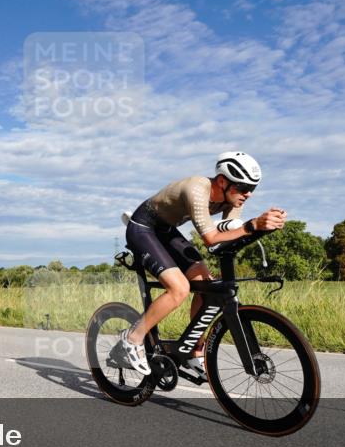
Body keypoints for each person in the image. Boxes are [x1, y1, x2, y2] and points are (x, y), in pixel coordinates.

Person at [116, 151, 286, 375]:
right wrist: (252, 225)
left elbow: (229, 231)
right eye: (243, 188)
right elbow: (211, 239)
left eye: (252, 189)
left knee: (207, 287)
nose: (248, 194)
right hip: (144, 228)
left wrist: (259, 228)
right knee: (179, 289)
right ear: (223, 181)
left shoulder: (232, 198)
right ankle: (132, 339)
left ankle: (193, 350)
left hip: (167, 231)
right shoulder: (196, 189)